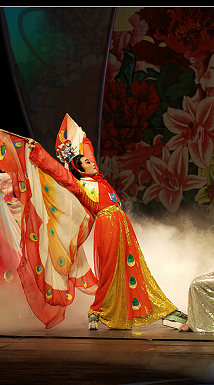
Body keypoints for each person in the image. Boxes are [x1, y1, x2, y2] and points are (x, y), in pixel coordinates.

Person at [25, 114, 187, 330]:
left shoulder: (98, 179)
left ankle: (160, 311)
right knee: (111, 270)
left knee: (132, 268)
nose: (91, 163)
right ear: (79, 170)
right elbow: (58, 172)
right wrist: (36, 151)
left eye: (89, 161)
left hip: (121, 223)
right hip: (106, 224)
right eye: (86, 163)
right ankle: (96, 311)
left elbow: (88, 151)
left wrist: (84, 137)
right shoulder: (79, 186)